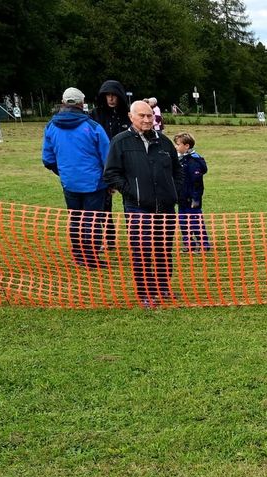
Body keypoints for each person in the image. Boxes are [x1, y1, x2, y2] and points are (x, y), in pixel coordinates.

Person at [103, 100, 183, 308]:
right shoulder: (120, 142)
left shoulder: (164, 143)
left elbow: (177, 172)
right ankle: (145, 293)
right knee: (142, 250)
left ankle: (163, 287)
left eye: (150, 116)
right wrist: (131, 192)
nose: (147, 120)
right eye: (142, 116)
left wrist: (173, 191)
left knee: (163, 249)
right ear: (131, 117)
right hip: (138, 207)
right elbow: (111, 174)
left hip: (165, 207)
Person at [42, 87, 111, 269]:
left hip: (69, 182)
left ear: (63, 102)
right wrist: (109, 179)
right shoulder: (93, 127)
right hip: (94, 183)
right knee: (92, 220)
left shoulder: (51, 126)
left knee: (75, 218)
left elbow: (47, 159)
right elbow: (108, 157)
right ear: (81, 103)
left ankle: (80, 255)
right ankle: (91, 258)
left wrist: (63, 172)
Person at [91, 80, 130, 250]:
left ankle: (135, 236)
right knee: (104, 204)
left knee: (131, 201)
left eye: (114, 95)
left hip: (127, 165)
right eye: (108, 95)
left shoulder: (127, 115)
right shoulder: (95, 115)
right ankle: (108, 239)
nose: (111, 98)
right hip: (104, 165)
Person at [173, 131, 210, 252]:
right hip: (181, 197)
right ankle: (189, 244)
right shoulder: (180, 159)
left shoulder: (194, 161)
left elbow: (197, 182)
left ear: (187, 146)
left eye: (178, 144)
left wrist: (196, 198)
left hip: (192, 198)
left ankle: (204, 244)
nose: (176, 147)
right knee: (183, 222)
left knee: (195, 222)